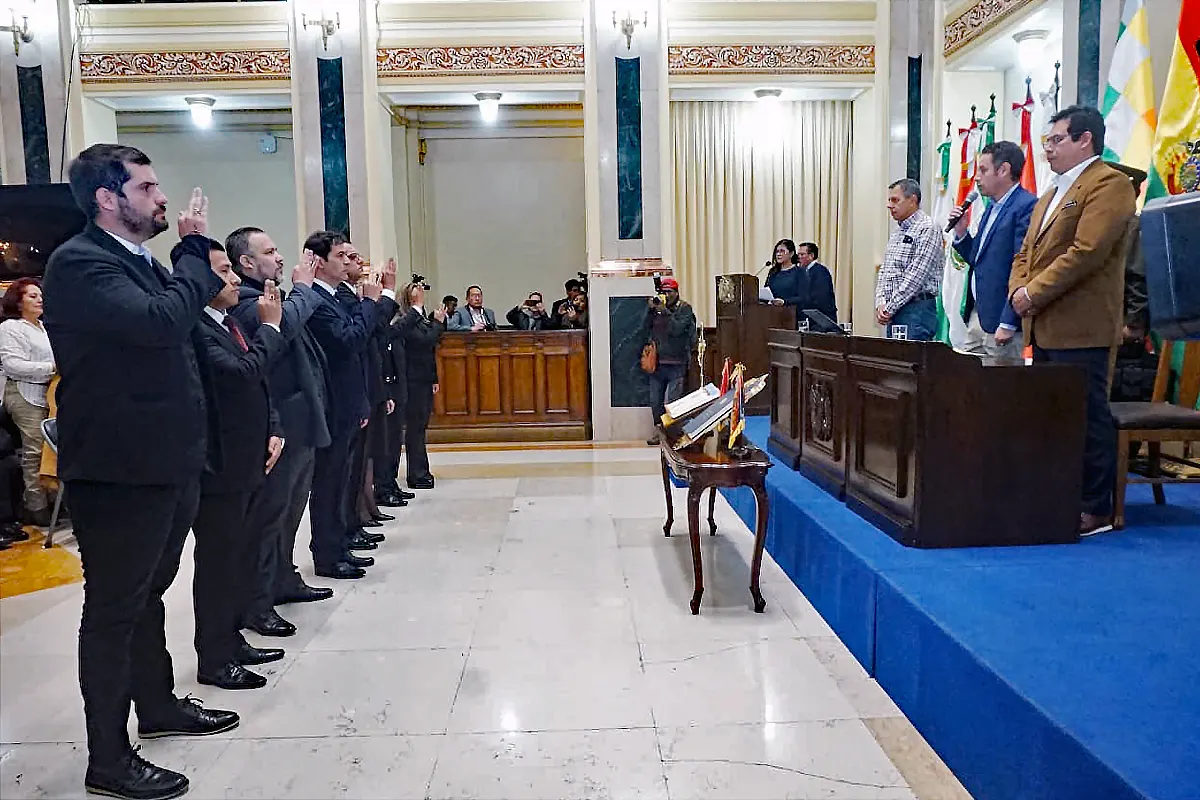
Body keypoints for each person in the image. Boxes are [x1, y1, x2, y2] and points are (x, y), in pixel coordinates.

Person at [42, 144, 236, 800]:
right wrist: (191, 254)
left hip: (167, 459)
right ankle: (109, 757)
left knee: (148, 592)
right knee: (114, 607)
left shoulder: (138, 262)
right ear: (106, 197)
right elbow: (159, 326)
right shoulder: (81, 264)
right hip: (119, 466)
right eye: (147, 186)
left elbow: (183, 342)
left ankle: (156, 705)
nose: (160, 196)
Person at [1008, 105, 1136, 537]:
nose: (1048, 149)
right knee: (1052, 415)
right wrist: (1017, 291)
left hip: (1081, 323)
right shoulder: (1051, 192)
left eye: (1056, 139)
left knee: (1087, 416)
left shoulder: (1111, 185)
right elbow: (1025, 251)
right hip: (1043, 324)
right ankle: (1055, 495)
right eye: (1046, 140)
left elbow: (1087, 252)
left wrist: (1032, 292)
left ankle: (1095, 507)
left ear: (1085, 140)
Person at [187, 240, 286, 690]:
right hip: (221, 466)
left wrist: (270, 426)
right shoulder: (199, 330)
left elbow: (257, 387)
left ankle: (231, 638)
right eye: (224, 272)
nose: (232, 280)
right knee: (217, 563)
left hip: (248, 456)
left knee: (238, 555)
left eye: (230, 270)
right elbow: (242, 374)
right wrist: (271, 328)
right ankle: (214, 656)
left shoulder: (225, 324)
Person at [226, 227, 335, 629]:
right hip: (278, 425)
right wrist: (305, 288)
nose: (280, 257)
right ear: (246, 263)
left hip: (299, 419)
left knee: (290, 511)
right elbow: (284, 326)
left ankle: (283, 578)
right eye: (270, 251)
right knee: (269, 516)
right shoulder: (245, 302)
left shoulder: (271, 297)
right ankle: (258, 601)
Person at [304, 231, 391, 579]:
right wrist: (371, 301)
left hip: (351, 400)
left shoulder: (337, 298)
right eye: (340, 256)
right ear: (319, 261)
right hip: (333, 403)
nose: (347, 262)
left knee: (342, 480)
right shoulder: (316, 301)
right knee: (328, 483)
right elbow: (350, 340)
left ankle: (339, 543)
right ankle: (326, 553)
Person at [949, 140, 1038, 365]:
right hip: (978, 315)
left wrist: (1009, 321)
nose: (977, 178)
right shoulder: (991, 208)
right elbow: (978, 261)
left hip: (1002, 320)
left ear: (1003, 170)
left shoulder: (1025, 206)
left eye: (983, 170)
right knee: (969, 387)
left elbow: (1023, 266)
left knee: (999, 393)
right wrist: (961, 234)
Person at [0, 278, 55, 527]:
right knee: (33, 452)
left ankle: (50, 500)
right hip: (24, 394)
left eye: (40, 294)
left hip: (47, 393)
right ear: (18, 300)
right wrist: (52, 368)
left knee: (47, 451)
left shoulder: (43, 327)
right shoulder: (11, 327)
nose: (39, 299)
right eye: (32, 296)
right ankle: (37, 508)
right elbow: (14, 365)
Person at [876, 178, 944, 340]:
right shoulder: (897, 232)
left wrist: (889, 307)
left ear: (912, 200)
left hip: (917, 310)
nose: (889, 205)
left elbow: (916, 276)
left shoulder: (928, 228)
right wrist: (880, 302)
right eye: (889, 200)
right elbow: (885, 271)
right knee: (895, 364)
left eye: (895, 200)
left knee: (913, 363)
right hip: (895, 310)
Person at [396, 280, 445, 489]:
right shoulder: (405, 321)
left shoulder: (421, 320)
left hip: (423, 378)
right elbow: (424, 341)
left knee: (420, 428)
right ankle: (417, 473)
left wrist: (434, 378)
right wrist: (438, 323)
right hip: (412, 380)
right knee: (415, 429)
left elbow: (429, 352)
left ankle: (421, 470)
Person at [644, 277, 697, 446]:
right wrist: (650, 311)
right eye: (664, 292)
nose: (666, 295)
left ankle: (672, 435)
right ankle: (660, 432)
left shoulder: (685, 309)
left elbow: (676, 330)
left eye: (669, 292)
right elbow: (644, 328)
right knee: (655, 401)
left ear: (676, 292)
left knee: (674, 402)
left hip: (677, 363)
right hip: (658, 362)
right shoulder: (657, 310)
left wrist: (665, 311)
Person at [765, 240, 837, 323]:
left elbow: (808, 297)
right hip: (773, 315)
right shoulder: (773, 272)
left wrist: (784, 302)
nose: (778, 254)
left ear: (791, 254)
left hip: (798, 317)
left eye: (782, 251)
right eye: (777, 251)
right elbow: (767, 291)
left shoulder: (805, 272)